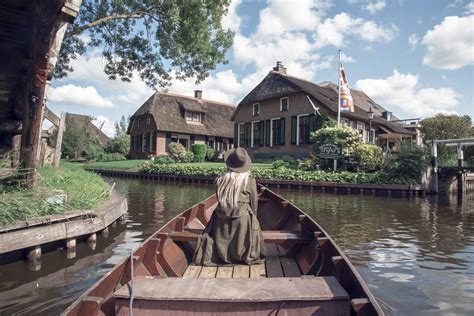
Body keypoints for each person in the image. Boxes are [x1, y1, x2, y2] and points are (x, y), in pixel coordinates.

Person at [193, 147, 265, 266]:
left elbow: (220, 200)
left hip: (221, 219)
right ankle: (242, 253)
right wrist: (254, 221)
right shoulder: (250, 181)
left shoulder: (220, 180)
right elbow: (254, 204)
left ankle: (223, 253)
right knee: (252, 221)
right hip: (242, 220)